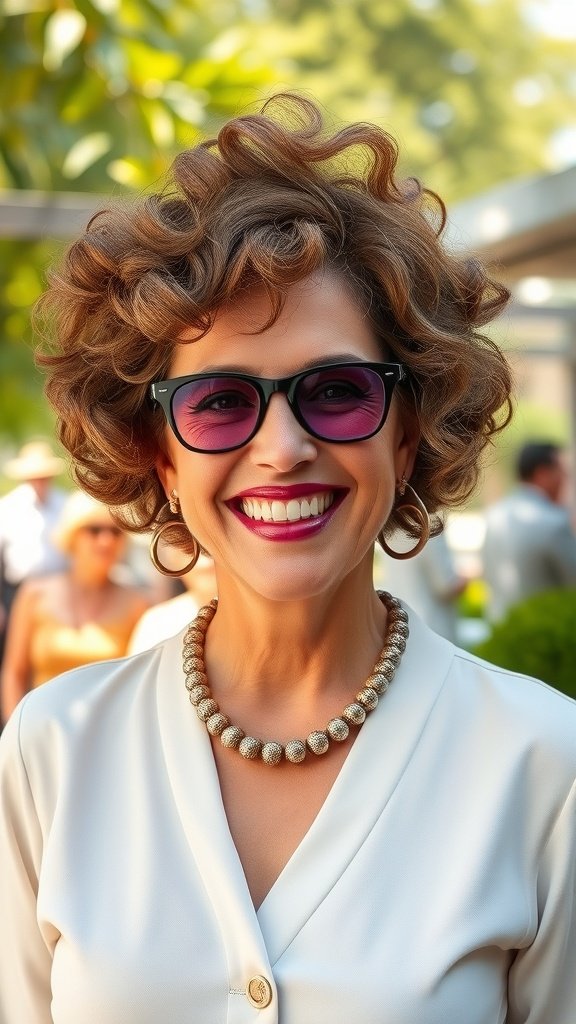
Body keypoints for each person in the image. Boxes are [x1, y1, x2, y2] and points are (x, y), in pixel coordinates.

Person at [0, 94, 574, 1024]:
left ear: (408, 432)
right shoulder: (52, 751)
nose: (282, 449)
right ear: (160, 452)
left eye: (338, 392)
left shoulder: (546, 765)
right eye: (221, 401)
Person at [0, 490, 149, 722]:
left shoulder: (137, 604)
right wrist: (14, 734)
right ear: (71, 534)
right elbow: (13, 673)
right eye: (94, 530)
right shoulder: (34, 593)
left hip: (104, 733)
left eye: (115, 531)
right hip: (38, 732)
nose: (106, 540)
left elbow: (140, 687)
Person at [482, 439, 576, 622]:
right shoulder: (555, 522)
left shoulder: (495, 515)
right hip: (545, 637)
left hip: (500, 632)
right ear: (542, 473)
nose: (565, 479)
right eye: (562, 472)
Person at [0, 440, 69, 661]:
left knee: (50, 651)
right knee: (15, 653)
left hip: (57, 589)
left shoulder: (64, 504)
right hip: (17, 590)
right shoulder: (9, 507)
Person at [375, 531, 466, 642]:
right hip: (433, 627)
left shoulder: (390, 530)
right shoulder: (431, 529)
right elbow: (446, 587)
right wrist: (467, 579)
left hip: (401, 623)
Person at [128, 554, 217, 653]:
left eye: (210, 552)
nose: (206, 564)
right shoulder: (157, 622)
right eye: (190, 550)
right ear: (174, 564)